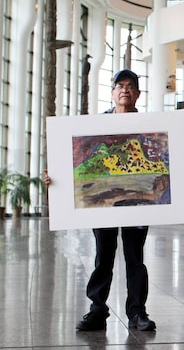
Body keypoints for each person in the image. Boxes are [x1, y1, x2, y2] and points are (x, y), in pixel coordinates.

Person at [45, 69, 156, 332]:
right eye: (120, 85)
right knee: (103, 256)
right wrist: (56, 177)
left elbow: (163, 159)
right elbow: (77, 160)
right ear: (113, 93)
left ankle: (137, 312)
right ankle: (97, 310)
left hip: (137, 202)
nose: (125, 90)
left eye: (130, 86)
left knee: (135, 257)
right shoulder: (95, 126)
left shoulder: (150, 125)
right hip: (102, 203)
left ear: (138, 94)